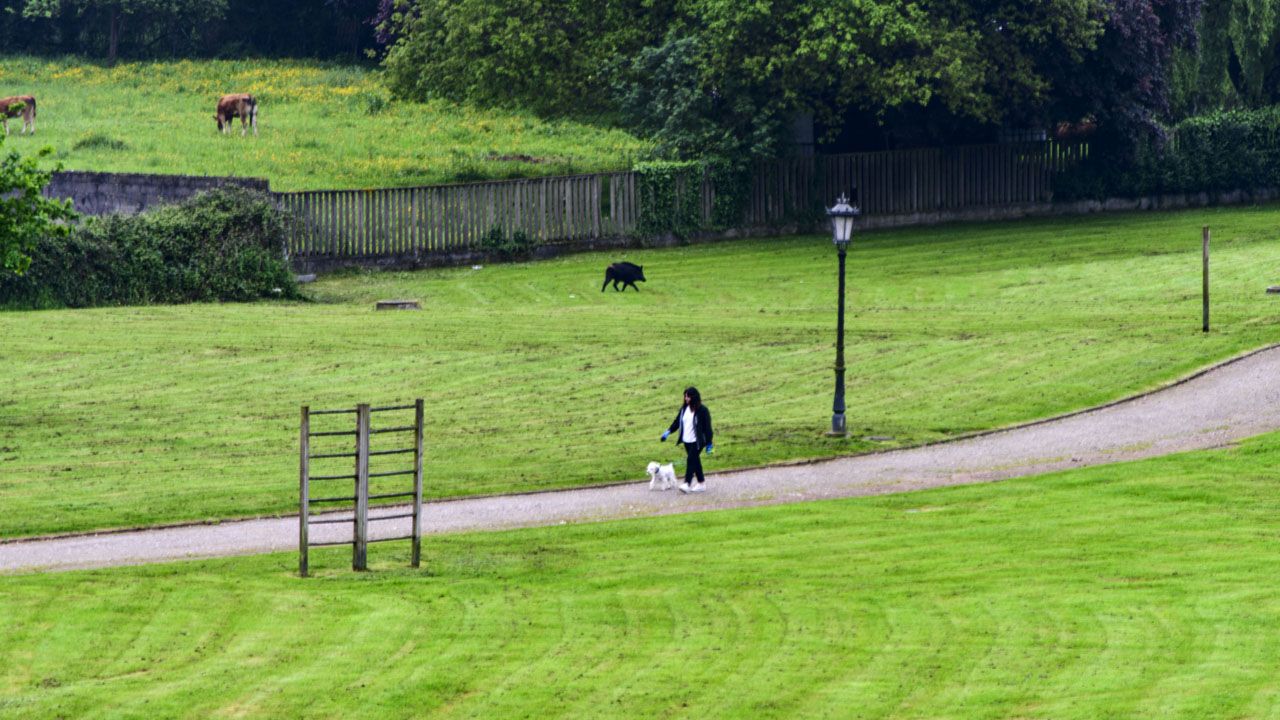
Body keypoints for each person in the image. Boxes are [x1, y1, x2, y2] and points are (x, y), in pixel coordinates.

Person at [660, 386, 714, 493]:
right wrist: (668, 432)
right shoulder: (684, 409)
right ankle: (701, 483)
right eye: (685, 396)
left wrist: (709, 443)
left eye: (688, 397)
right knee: (695, 461)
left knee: (690, 460)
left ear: (694, 397)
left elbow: (708, 428)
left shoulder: (703, 410)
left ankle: (687, 483)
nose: (686, 399)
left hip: (697, 441)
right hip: (687, 441)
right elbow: (677, 422)